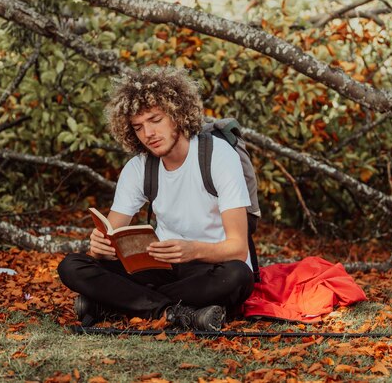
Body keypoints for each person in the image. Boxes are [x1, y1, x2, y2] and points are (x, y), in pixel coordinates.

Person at [57, 66, 255, 331]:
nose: (148, 133)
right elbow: (110, 234)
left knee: (237, 276)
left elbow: (238, 248)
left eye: (155, 119)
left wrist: (193, 250)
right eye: (138, 127)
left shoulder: (217, 156)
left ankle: (120, 305)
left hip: (209, 267)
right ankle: (174, 313)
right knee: (72, 265)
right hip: (160, 269)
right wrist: (99, 247)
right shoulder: (139, 167)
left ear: (177, 114)